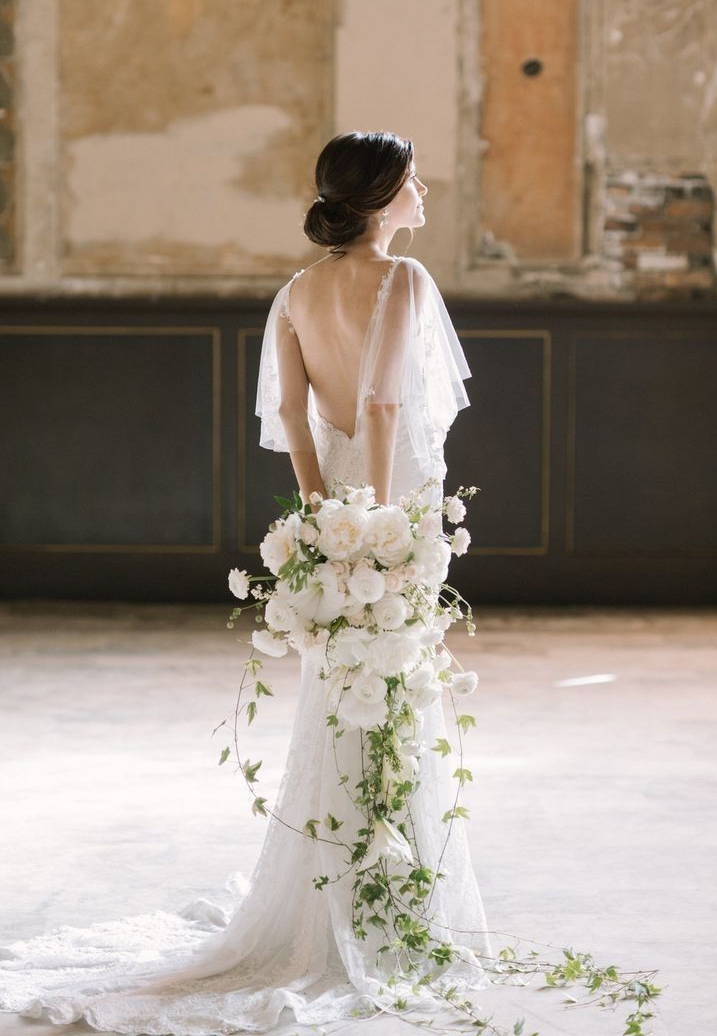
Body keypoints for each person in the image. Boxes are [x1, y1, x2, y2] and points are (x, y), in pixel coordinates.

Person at [0, 131, 491, 1034]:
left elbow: (299, 419)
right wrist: (377, 528)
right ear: (381, 197)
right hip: (390, 505)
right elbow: (383, 406)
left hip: (339, 510)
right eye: (411, 178)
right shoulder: (404, 282)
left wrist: (324, 524)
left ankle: (335, 897)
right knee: (396, 688)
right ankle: (385, 906)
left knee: (342, 693)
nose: (424, 189)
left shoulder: (297, 293)